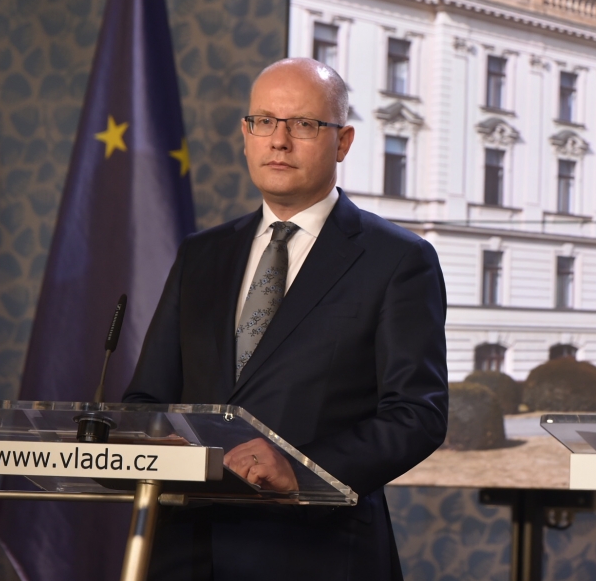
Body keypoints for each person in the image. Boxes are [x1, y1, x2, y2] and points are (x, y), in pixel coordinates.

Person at [125, 58, 448, 580]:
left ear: (342, 142)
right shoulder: (200, 254)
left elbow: (418, 414)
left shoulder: (398, 259)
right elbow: (147, 398)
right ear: (246, 135)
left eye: (303, 124)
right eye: (264, 122)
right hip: (187, 550)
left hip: (318, 552)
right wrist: (156, 442)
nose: (279, 140)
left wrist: (301, 467)